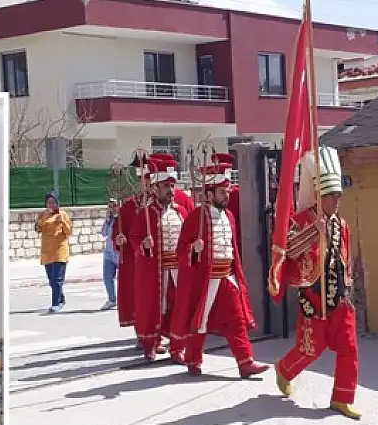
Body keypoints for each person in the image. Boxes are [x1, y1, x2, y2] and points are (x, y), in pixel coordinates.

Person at [273, 147, 361, 420]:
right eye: (332, 196)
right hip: (313, 293)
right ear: (319, 195)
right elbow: (287, 249)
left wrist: (348, 286)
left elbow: (344, 256)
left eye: (339, 196)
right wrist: (314, 232)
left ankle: (342, 398)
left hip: (339, 294)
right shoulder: (300, 221)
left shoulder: (342, 224)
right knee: (312, 348)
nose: (337, 201)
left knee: (349, 347)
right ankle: (285, 369)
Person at [170, 158, 269, 378]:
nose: (227, 195)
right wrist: (194, 249)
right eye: (222, 192)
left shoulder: (229, 216)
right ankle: (193, 359)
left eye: (227, 191)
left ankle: (245, 362)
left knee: (237, 320)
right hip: (206, 279)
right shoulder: (196, 217)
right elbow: (182, 249)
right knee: (201, 321)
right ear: (209, 194)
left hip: (228, 276)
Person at [128, 155, 191, 362]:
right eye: (166, 186)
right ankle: (150, 344)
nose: (170, 191)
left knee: (179, 307)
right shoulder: (146, 213)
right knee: (154, 307)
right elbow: (134, 237)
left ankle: (177, 347)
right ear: (155, 188)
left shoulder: (180, 211)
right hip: (156, 268)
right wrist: (143, 245)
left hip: (178, 269)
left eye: (172, 186)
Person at [112, 155, 151, 329]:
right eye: (141, 180)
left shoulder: (159, 204)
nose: (145, 184)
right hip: (134, 260)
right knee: (137, 298)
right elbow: (117, 234)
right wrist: (119, 240)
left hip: (158, 259)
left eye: (148, 180)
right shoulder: (128, 207)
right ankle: (143, 336)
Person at [35, 192, 72, 313]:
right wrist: (44, 217)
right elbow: (37, 229)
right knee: (52, 281)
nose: (51, 205)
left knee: (57, 280)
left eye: (53, 202)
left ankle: (55, 303)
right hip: (47, 252)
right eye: (49, 202)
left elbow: (69, 231)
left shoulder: (62, 214)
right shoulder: (43, 215)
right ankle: (61, 298)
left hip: (59, 251)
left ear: (57, 203)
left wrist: (63, 222)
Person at [100, 199, 120, 310]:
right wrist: (107, 220)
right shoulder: (110, 220)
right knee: (107, 276)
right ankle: (111, 299)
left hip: (119, 253)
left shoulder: (122, 219)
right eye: (110, 206)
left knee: (121, 279)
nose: (113, 208)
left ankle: (123, 299)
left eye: (115, 206)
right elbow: (104, 233)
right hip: (109, 252)